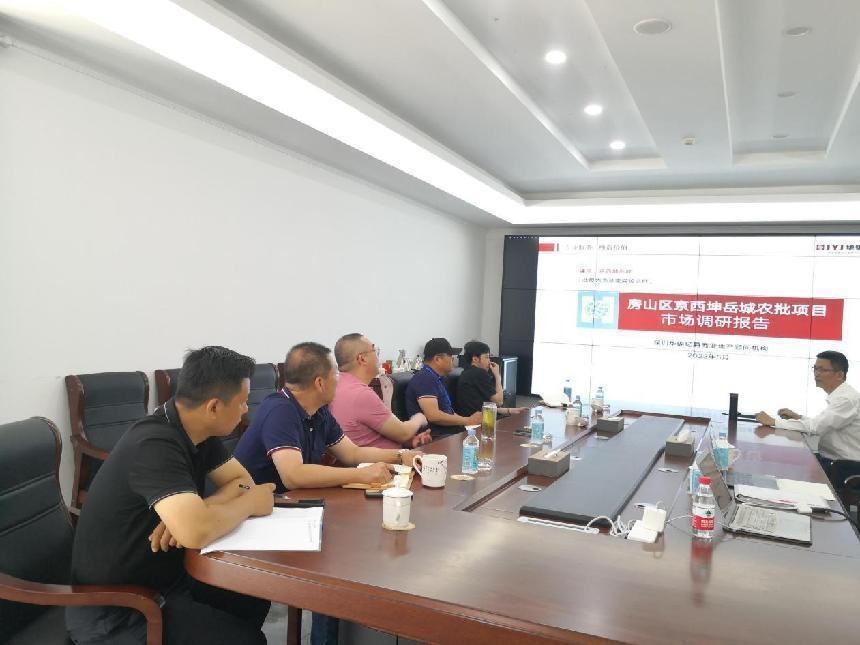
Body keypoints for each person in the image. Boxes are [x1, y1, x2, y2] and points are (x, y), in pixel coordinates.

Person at [66, 346, 275, 645]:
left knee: (253, 595)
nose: (245, 410)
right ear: (214, 407)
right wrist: (249, 504)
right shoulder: (155, 444)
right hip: (118, 609)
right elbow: (197, 531)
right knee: (247, 640)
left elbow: (241, 481)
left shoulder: (196, 431)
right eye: (242, 402)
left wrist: (200, 511)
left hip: (168, 578)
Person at [233, 341, 421, 645]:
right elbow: (293, 474)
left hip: (289, 507)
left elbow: (351, 452)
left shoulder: (318, 411)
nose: (340, 379)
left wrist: (401, 456)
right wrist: (360, 474)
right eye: (336, 373)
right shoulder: (280, 409)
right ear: (320, 382)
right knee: (337, 557)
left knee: (351, 541)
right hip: (253, 517)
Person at [755, 351, 860, 470]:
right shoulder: (843, 396)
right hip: (833, 460)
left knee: (788, 466)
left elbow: (815, 427)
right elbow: (823, 423)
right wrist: (799, 417)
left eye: (822, 370)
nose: (816, 374)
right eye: (815, 369)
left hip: (846, 467)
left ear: (839, 375)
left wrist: (774, 422)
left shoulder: (846, 399)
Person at [330, 333, 431, 449]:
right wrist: (419, 418)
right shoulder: (361, 394)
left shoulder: (336, 385)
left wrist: (409, 442)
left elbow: (369, 435)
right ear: (362, 359)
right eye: (374, 350)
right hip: (384, 460)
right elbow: (403, 433)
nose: (378, 356)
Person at [405, 338, 482, 439]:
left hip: (448, 433)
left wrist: (469, 420)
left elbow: (449, 412)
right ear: (437, 359)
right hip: (436, 437)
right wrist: (467, 421)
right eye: (450, 356)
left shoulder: (435, 377)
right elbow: (433, 416)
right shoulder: (425, 378)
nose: (453, 360)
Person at [455, 340, 525, 417]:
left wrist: (509, 410)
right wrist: (497, 376)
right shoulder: (478, 373)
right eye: (487, 357)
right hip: (480, 420)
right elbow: (499, 402)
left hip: (479, 416)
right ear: (475, 359)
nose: (489, 361)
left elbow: (483, 406)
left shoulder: (467, 372)